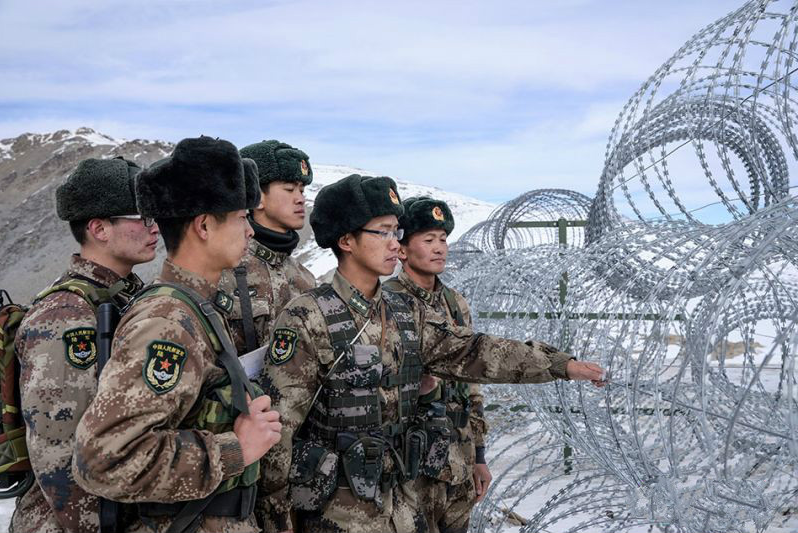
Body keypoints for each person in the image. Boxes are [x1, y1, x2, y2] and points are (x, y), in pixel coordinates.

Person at [257, 174, 606, 533]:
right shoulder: (308, 316)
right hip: (339, 512)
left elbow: (474, 351)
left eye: (396, 231)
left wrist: (561, 365)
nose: (395, 243)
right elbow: (278, 428)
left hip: (403, 503)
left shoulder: (406, 312)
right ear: (346, 240)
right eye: (383, 232)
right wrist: (278, 519)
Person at [73, 137, 282, 533]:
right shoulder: (167, 321)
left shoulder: (197, 306)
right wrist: (235, 449)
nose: (250, 231)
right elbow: (104, 460)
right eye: (241, 217)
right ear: (204, 225)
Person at [10, 157, 158, 533]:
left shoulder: (125, 296)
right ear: (99, 229)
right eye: (141, 217)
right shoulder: (65, 315)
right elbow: (57, 449)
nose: (154, 226)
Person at [383, 196, 490, 533]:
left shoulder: (455, 304)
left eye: (442, 239)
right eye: (428, 240)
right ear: (402, 249)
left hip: (458, 460)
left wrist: (479, 455)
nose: (439, 248)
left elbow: (471, 384)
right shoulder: (387, 302)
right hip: (412, 465)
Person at [218, 140, 316, 356]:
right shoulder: (224, 271)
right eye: (289, 189)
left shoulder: (306, 278)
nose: (300, 199)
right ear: (257, 197)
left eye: (302, 190)